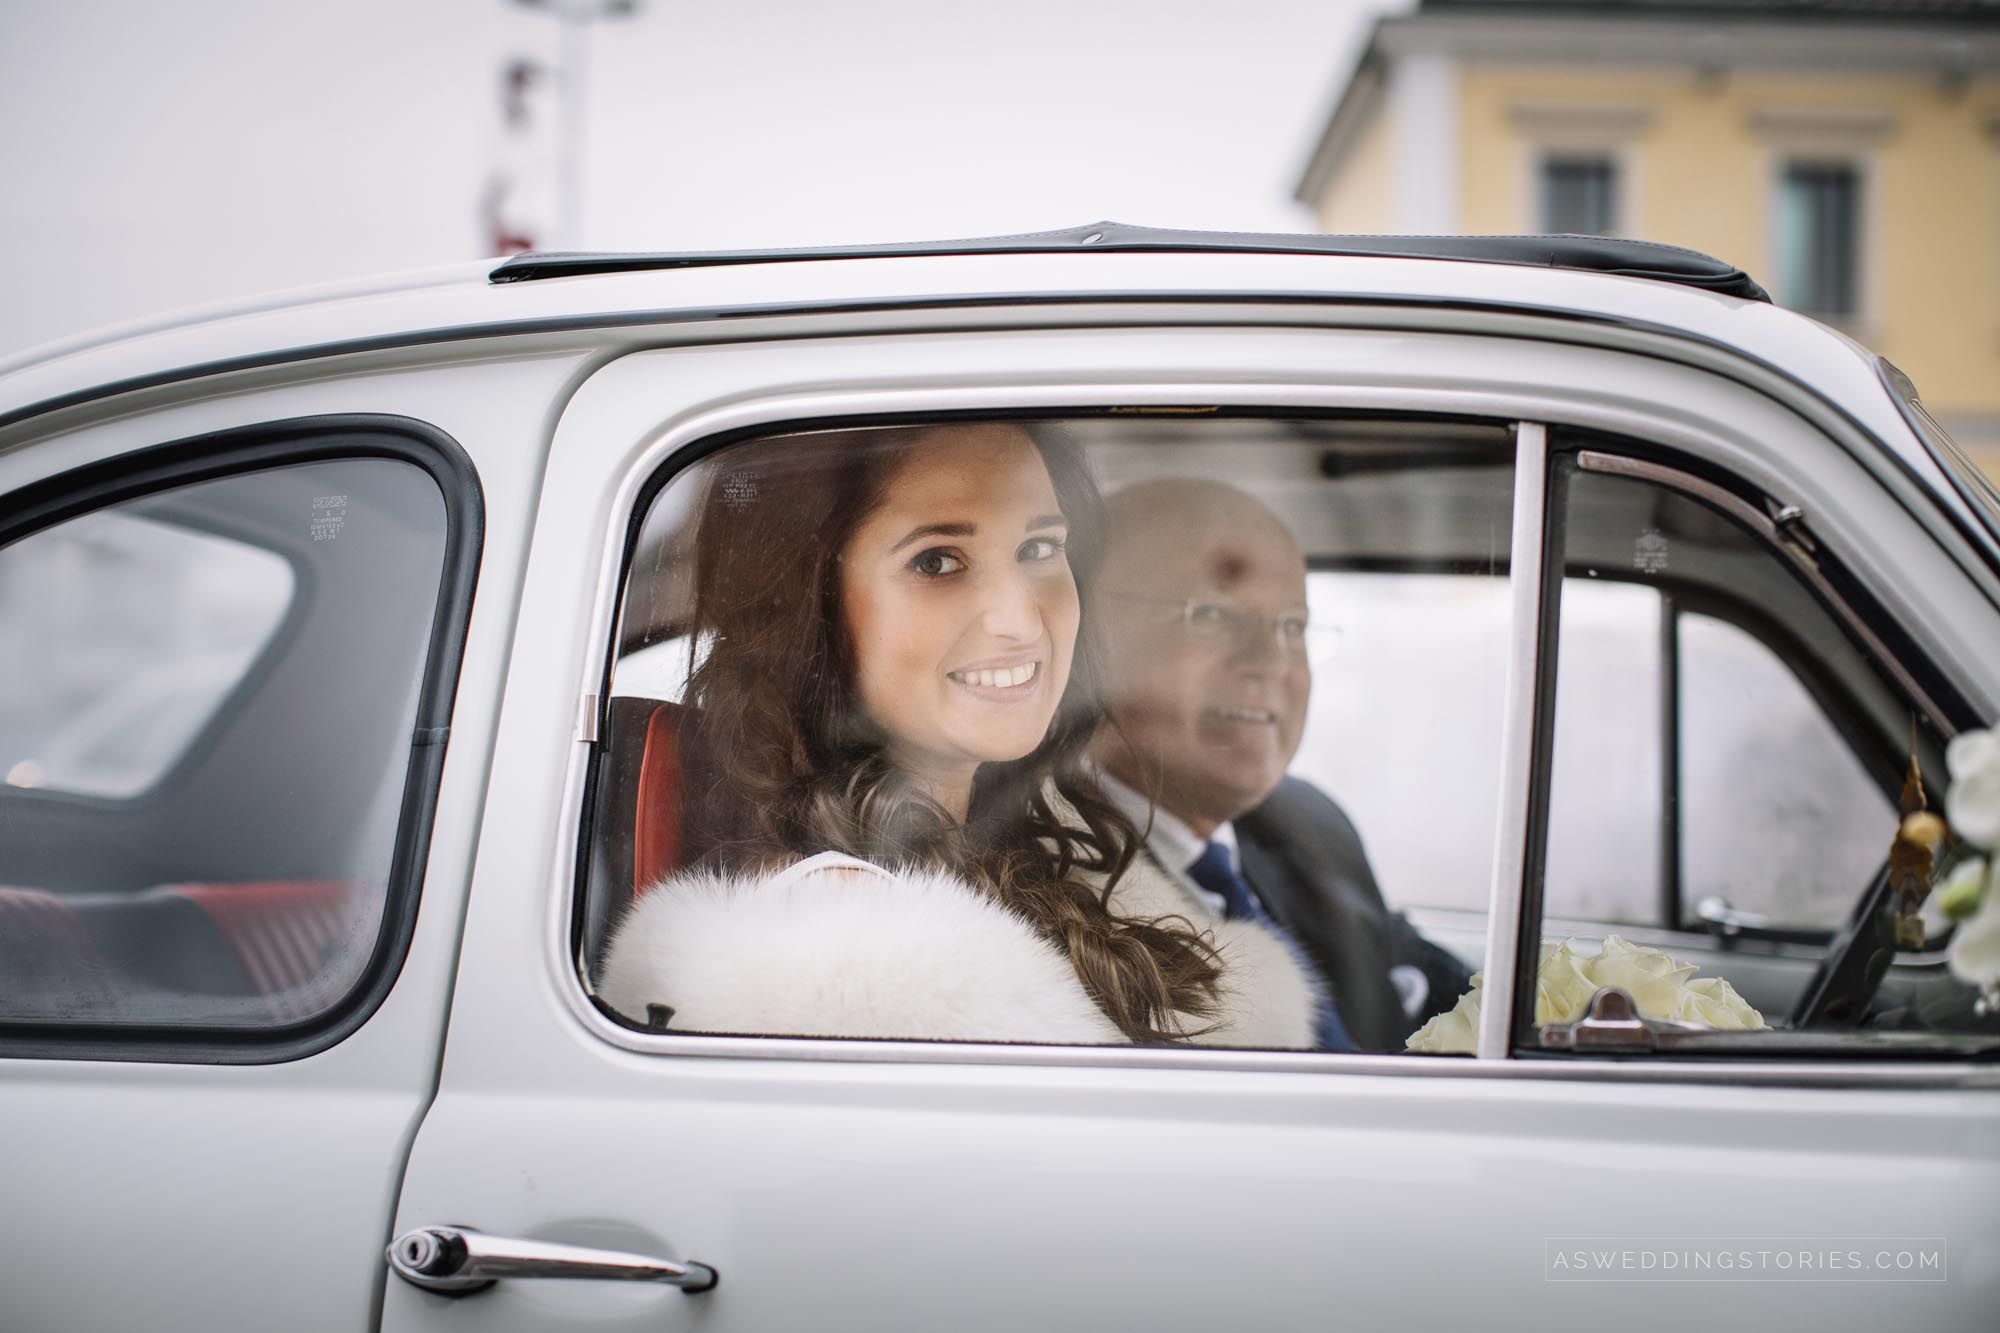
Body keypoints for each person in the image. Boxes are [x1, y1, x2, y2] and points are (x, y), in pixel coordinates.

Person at [597, 423, 1321, 1047]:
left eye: (1040, 549)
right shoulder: (836, 970)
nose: (1018, 618)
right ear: (809, 611)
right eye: (937, 561)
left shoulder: (1037, 857)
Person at [1091, 479, 1473, 1053]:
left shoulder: (1307, 822)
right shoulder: (1036, 876)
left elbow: (1416, 974)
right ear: (1088, 642)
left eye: (1293, 626)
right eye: (1213, 615)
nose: (1271, 662)